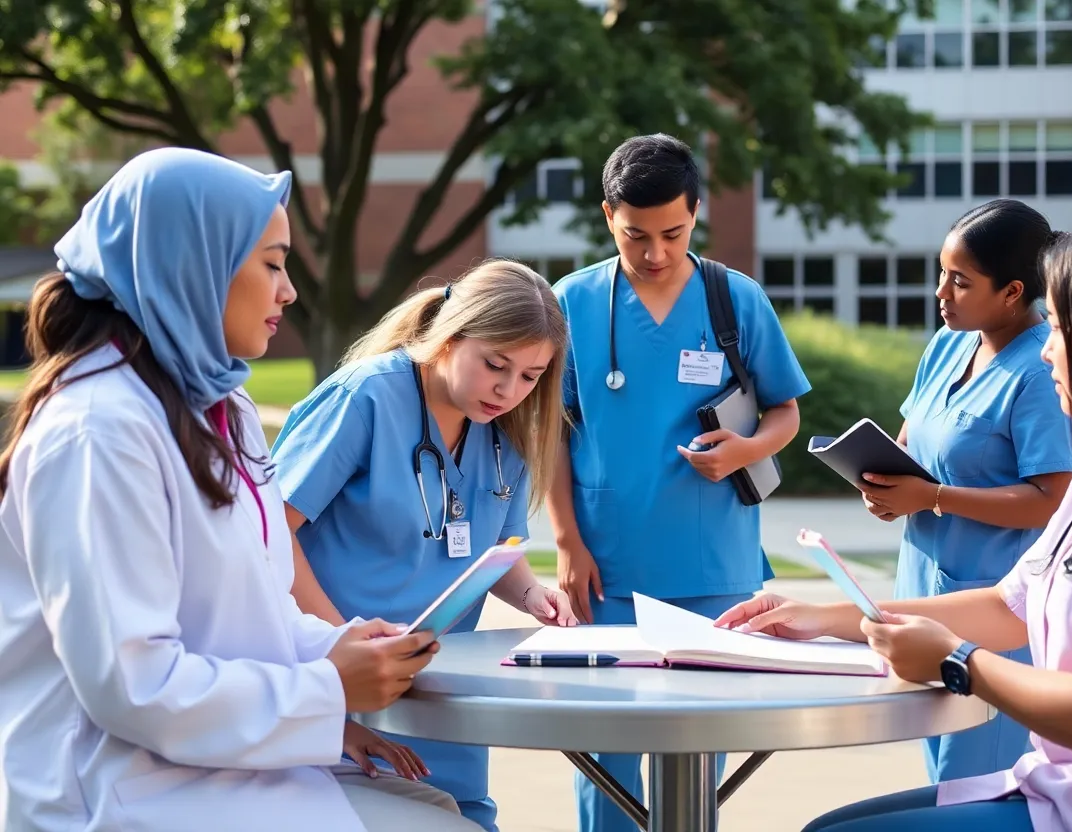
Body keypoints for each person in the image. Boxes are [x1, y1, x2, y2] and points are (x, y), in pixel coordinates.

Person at [0, 148, 482, 831]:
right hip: (118, 795)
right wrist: (327, 688)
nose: (289, 292)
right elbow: (134, 687)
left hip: (213, 774)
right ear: (193, 266)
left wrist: (335, 648)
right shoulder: (97, 431)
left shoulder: (221, 408)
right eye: (272, 264)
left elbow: (250, 611)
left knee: (439, 811)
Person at [717, 212, 1072, 832]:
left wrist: (959, 662)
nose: (1048, 349)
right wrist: (822, 617)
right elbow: (1008, 608)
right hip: (1065, 792)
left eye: (1059, 329)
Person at [548, 133, 812, 832]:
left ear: (696, 213)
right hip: (606, 567)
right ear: (609, 216)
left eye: (673, 233)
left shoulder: (735, 299)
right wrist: (567, 540)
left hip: (713, 565)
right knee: (605, 755)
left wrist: (747, 449)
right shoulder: (571, 303)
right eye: (636, 235)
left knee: (699, 754)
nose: (656, 253)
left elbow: (785, 411)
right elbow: (549, 434)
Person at [271, 258, 577, 832]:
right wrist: (342, 644)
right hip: (340, 684)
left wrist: (532, 594)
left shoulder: (505, 429)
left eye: (531, 376)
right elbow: (267, 532)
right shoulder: (367, 398)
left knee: (467, 818)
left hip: (439, 689)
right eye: (495, 365)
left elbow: (494, 546)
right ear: (450, 335)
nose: (509, 390)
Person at [857, 199, 1072, 783]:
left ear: (1012, 292)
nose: (941, 292)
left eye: (960, 281)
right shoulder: (948, 344)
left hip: (992, 613)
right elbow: (911, 437)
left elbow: (1053, 501)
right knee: (938, 778)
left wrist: (931, 497)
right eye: (941, 273)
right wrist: (882, 483)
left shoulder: (1041, 371)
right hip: (924, 591)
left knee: (972, 790)